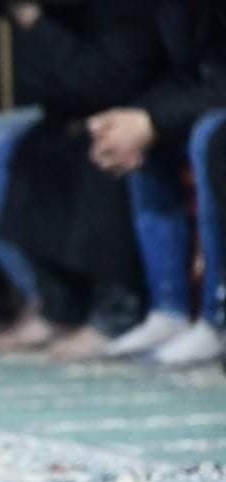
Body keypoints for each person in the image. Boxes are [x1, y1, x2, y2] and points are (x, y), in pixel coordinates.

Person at [0, 0, 159, 355]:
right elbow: (45, 87)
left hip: (139, 101)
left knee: (77, 147)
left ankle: (112, 310)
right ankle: (53, 301)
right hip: (65, 104)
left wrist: (34, 21)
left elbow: (105, 84)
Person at [92, 1, 226, 366]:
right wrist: (139, 119)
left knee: (210, 138)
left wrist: (154, 120)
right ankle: (168, 309)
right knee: (143, 138)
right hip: (206, 94)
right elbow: (172, 72)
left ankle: (216, 317)